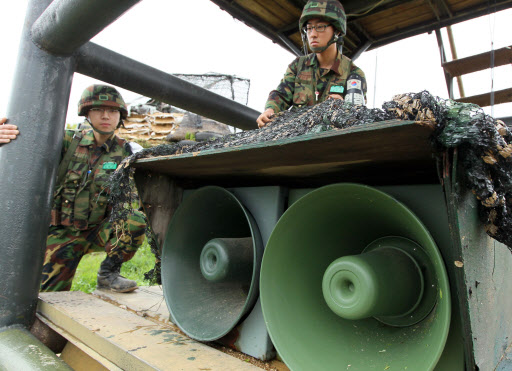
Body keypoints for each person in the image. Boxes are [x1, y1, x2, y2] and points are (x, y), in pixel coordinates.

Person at [1, 84, 146, 293]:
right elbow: (21, 151)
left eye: (113, 111)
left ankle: (108, 274)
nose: (106, 116)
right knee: (47, 298)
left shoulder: (129, 151)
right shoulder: (66, 142)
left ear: (120, 115)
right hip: (62, 232)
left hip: (99, 230)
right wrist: (6, 138)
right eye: (98, 110)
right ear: (87, 113)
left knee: (134, 220)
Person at [257, 0, 367, 128]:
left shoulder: (353, 74)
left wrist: (345, 107)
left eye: (320, 27)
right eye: (309, 28)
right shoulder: (298, 66)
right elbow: (281, 95)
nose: (313, 34)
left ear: (336, 30)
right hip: (297, 137)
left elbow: (359, 117)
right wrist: (270, 110)